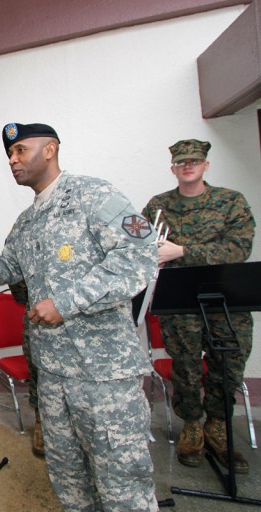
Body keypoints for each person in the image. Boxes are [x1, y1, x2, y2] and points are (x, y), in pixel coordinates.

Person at [0, 122, 159, 511]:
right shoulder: (27, 220)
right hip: (51, 375)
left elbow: (139, 256)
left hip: (102, 375)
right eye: (9, 154)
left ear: (50, 149)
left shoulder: (94, 195)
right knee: (69, 481)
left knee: (123, 486)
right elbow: (7, 266)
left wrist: (66, 302)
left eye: (20, 150)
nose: (12, 160)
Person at [142, 139, 255, 474]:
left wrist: (182, 252)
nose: (187, 166)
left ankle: (218, 428)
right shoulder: (158, 206)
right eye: (181, 162)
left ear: (206, 165)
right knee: (186, 367)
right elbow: (142, 245)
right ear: (173, 168)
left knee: (228, 367)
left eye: (194, 161)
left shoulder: (230, 201)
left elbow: (238, 249)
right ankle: (192, 427)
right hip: (180, 303)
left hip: (228, 301)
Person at [7, 280, 44, 457]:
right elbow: (17, 282)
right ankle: (41, 423)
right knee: (37, 371)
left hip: (80, 320)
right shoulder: (24, 250)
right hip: (39, 318)